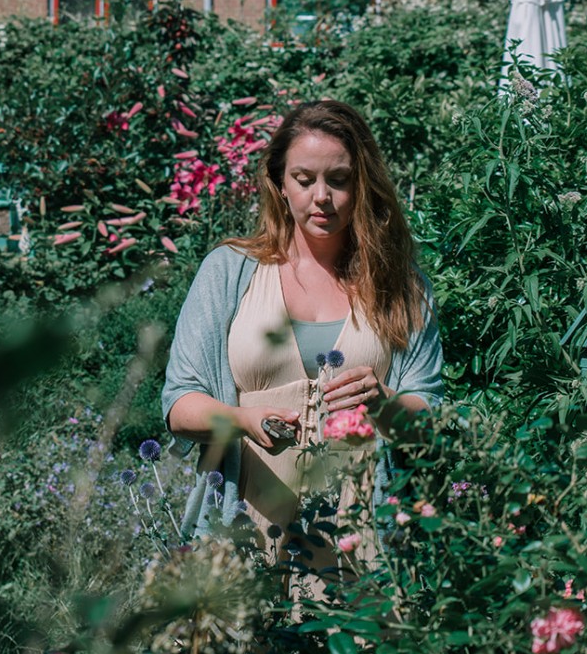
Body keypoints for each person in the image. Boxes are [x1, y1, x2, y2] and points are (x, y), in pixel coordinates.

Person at [161, 99, 443, 566]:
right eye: (304, 179)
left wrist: (385, 404)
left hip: (361, 533)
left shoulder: (400, 284)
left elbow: (427, 410)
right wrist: (243, 421)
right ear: (279, 183)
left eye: (339, 179)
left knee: (355, 637)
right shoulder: (229, 272)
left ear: (362, 183)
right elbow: (179, 403)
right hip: (245, 521)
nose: (321, 197)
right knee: (246, 636)